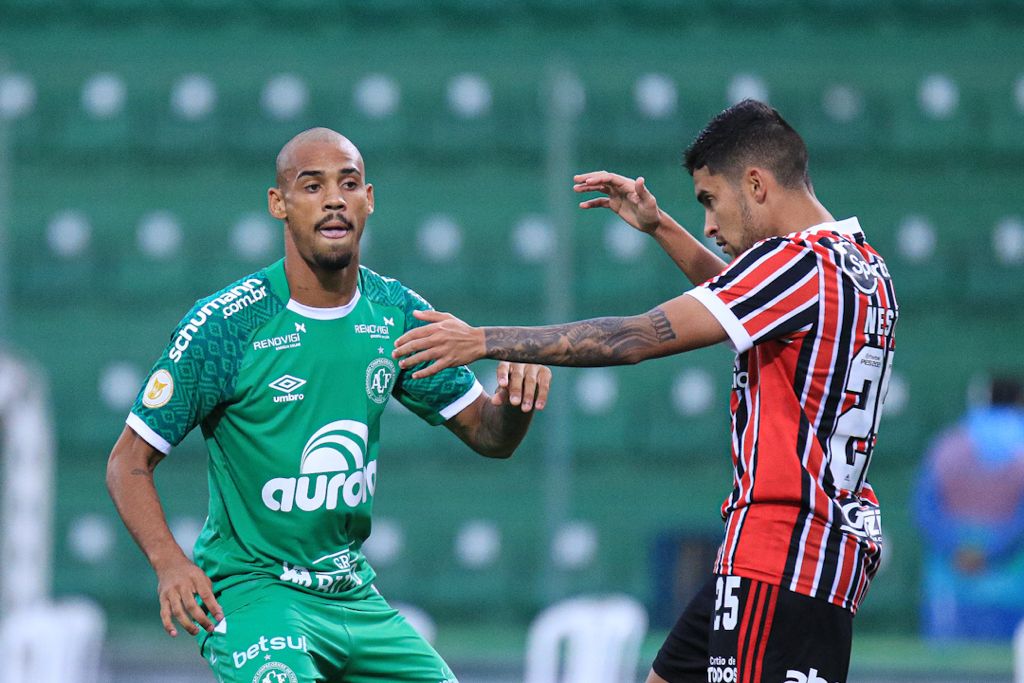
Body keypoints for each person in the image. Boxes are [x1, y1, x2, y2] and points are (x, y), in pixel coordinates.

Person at [393, 100, 898, 683]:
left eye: (710, 200)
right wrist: (660, 227)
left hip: (783, 555)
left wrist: (484, 340)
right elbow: (747, 302)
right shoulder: (860, 267)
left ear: (755, 184)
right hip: (789, 555)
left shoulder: (797, 266)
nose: (709, 223)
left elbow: (632, 339)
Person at [105, 127, 552, 683]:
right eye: (311, 186)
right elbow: (128, 461)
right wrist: (169, 563)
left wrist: (515, 402)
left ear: (369, 200)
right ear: (279, 204)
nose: (334, 198)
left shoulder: (395, 314)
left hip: (354, 596)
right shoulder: (225, 327)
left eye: (348, 183)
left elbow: (489, 436)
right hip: (255, 593)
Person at [915, 375, 1024, 639]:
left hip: (950, 585)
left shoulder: (948, 444)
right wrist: (990, 551)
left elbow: (925, 508)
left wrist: (959, 548)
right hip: (1011, 588)